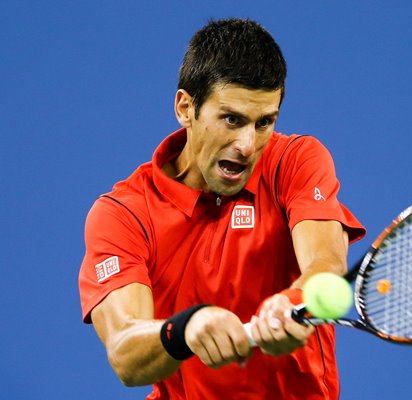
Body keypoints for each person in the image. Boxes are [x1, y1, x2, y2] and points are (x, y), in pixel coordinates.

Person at [79, 18, 365, 400]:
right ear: (185, 108)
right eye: (231, 119)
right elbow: (125, 352)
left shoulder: (295, 161)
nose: (247, 144)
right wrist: (184, 330)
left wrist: (294, 304)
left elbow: (325, 265)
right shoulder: (123, 215)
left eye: (264, 122)